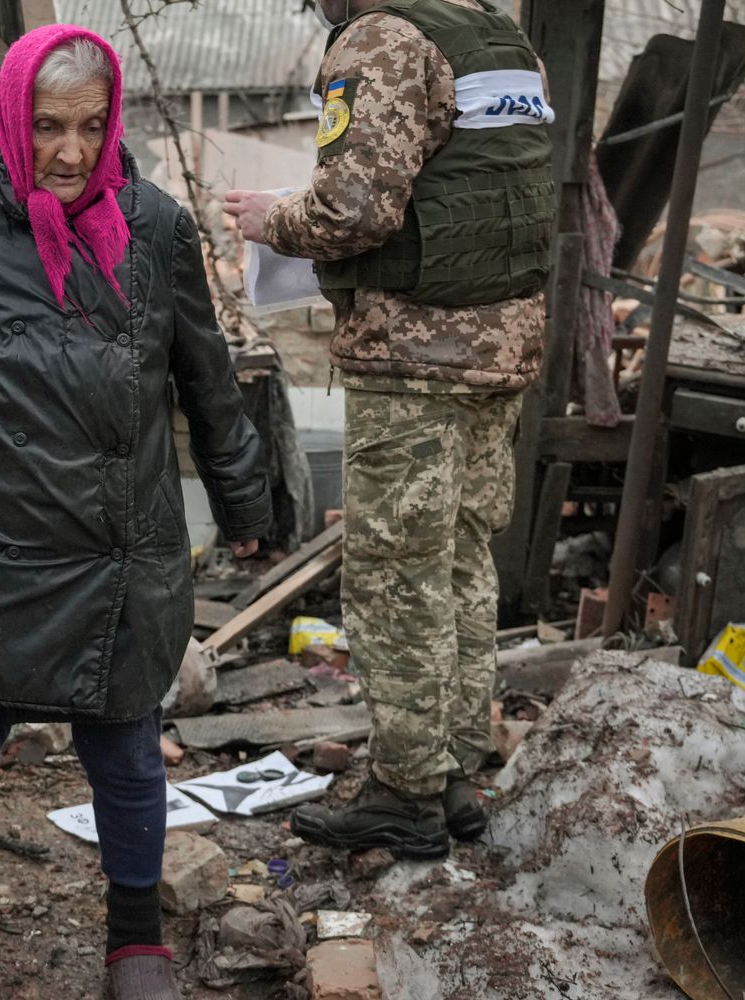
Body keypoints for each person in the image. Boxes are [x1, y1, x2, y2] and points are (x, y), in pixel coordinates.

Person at [0, 25, 270, 1000]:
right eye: (49, 126)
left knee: (122, 743)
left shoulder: (153, 227)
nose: (70, 151)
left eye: (90, 125)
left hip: (115, 545)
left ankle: (133, 934)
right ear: (13, 122)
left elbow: (206, 377)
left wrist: (244, 498)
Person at [224, 0, 555, 858]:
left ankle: (404, 794)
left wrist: (274, 221)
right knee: (458, 563)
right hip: (500, 345)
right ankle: (450, 771)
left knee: (397, 579)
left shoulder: (381, 37)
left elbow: (356, 211)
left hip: (417, 355)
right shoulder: (491, 31)